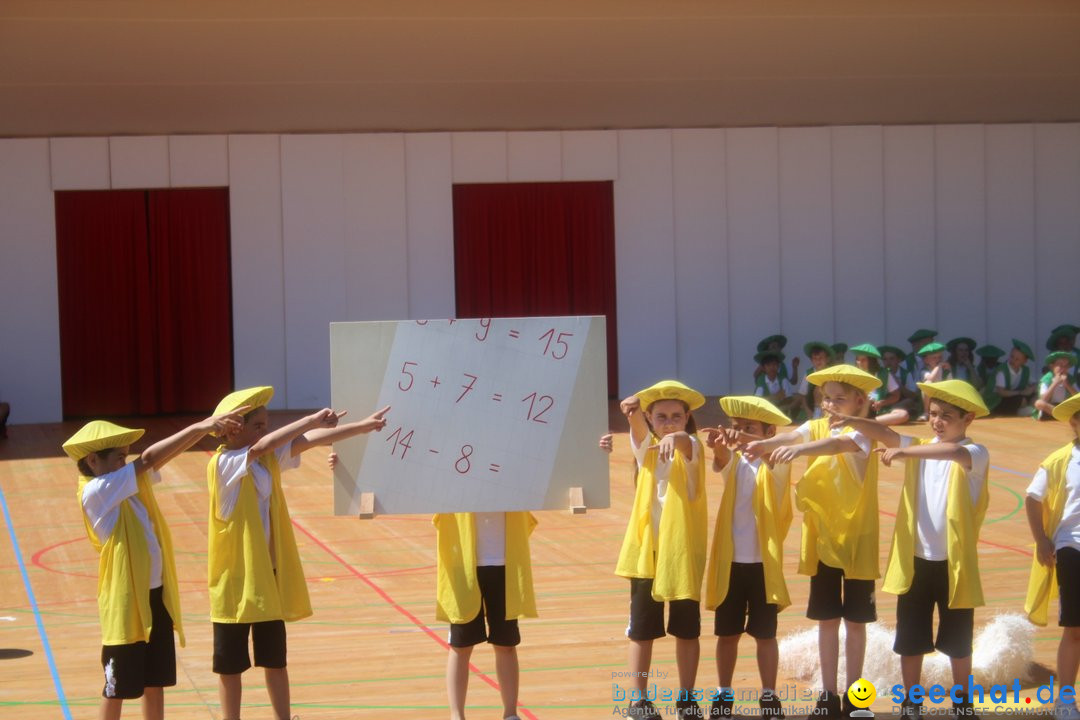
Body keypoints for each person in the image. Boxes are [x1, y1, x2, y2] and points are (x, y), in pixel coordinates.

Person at [207, 386, 389, 720]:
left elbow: (309, 441)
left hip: (268, 576)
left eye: (266, 423)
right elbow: (267, 444)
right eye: (258, 424)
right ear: (235, 429)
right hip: (235, 581)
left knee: (275, 659)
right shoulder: (225, 464)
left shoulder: (265, 461)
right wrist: (307, 419)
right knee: (231, 666)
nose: (265, 431)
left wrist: (362, 427)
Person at [64, 411, 245, 720]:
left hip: (155, 596)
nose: (125, 463)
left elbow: (156, 461)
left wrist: (203, 431)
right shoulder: (96, 492)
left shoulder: (127, 489)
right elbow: (148, 459)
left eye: (125, 458)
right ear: (93, 461)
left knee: (154, 682)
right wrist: (201, 426)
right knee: (117, 687)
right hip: (126, 605)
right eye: (118, 458)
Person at [833, 380, 991, 719]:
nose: (937, 422)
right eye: (933, 414)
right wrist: (854, 421)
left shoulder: (975, 453)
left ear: (969, 419)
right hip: (916, 562)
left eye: (947, 416)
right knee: (911, 639)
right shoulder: (921, 446)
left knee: (959, 641)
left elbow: (950, 452)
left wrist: (904, 451)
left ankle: (963, 704)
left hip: (954, 565)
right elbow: (885, 435)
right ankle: (911, 702)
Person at [744, 365, 882, 720]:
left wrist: (801, 451)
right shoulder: (815, 427)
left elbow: (837, 445)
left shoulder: (863, 433)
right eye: (827, 399)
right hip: (823, 539)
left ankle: (856, 696)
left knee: (855, 622)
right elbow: (792, 437)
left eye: (840, 399)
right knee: (826, 620)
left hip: (856, 540)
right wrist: (765, 443)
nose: (831, 406)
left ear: (859, 400)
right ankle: (827, 695)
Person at [615, 380, 708, 720]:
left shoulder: (693, 448)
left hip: (682, 553)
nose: (669, 422)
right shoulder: (646, 450)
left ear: (686, 418)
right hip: (648, 553)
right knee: (642, 630)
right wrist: (632, 409)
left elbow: (687, 443)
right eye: (662, 417)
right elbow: (635, 424)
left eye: (676, 417)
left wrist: (676, 437)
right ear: (652, 420)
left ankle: (686, 698)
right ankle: (637, 700)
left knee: (687, 629)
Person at [699, 396, 793, 720]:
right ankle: (724, 694)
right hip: (732, 563)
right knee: (727, 634)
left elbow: (772, 455)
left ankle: (769, 696)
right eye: (737, 427)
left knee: (765, 635)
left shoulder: (776, 463)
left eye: (749, 428)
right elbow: (722, 460)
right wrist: (719, 445)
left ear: (770, 432)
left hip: (763, 565)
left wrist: (750, 441)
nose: (739, 434)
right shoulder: (737, 463)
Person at [1024, 391, 1080, 720]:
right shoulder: (1060, 460)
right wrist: (1042, 539)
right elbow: (1032, 497)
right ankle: (1066, 700)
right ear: (1074, 423)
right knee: (1074, 629)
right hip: (1071, 548)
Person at [851, 344, 905, 425]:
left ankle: (869, 422)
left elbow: (896, 395)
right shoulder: (852, 373)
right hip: (857, 408)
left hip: (878, 411)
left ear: (871, 361)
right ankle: (865, 421)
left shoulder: (884, 374)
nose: (859, 363)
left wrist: (882, 403)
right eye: (858, 360)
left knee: (903, 415)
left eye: (863, 360)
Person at [989, 339, 1037, 416]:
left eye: (1017, 359)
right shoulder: (1002, 370)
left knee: (1035, 395)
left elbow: (1035, 383)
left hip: (1014, 397)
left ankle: (1028, 410)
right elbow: (1001, 392)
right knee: (1021, 399)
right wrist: (1021, 392)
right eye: (1012, 357)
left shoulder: (1025, 371)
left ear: (1024, 361)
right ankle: (1024, 411)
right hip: (997, 402)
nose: (1013, 360)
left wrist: (1032, 388)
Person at [792, 342, 835, 422]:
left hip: (829, 409)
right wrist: (808, 411)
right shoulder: (808, 374)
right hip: (812, 408)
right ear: (811, 360)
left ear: (827, 359)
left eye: (821, 358)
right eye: (815, 359)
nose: (818, 361)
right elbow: (802, 395)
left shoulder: (832, 373)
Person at [1034, 352, 1078, 421]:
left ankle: (1063, 416)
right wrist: (1054, 383)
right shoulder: (1046, 379)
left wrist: (1067, 385)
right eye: (1060, 365)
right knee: (1039, 403)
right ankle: (1061, 416)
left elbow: (1078, 397)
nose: (1063, 368)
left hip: (1064, 408)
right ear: (1052, 366)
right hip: (1050, 409)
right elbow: (1043, 399)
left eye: (1066, 366)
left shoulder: (1070, 379)